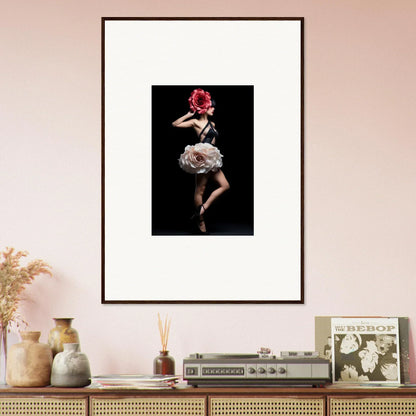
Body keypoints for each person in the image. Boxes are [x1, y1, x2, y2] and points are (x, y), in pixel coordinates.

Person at [172, 88, 230, 233]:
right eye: (211, 107)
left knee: (225, 186)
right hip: (203, 158)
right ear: (203, 108)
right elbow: (175, 124)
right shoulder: (195, 122)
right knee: (200, 190)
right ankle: (201, 222)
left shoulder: (213, 124)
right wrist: (188, 114)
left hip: (213, 158)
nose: (213, 109)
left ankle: (202, 209)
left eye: (213, 107)